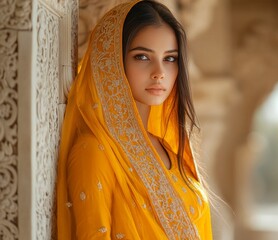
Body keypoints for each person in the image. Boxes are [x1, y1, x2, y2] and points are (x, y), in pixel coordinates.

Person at [56, 0, 212, 239]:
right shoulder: (95, 151)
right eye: (142, 57)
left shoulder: (170, 149)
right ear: (112, 61)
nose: (159, 72)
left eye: (170, 58)